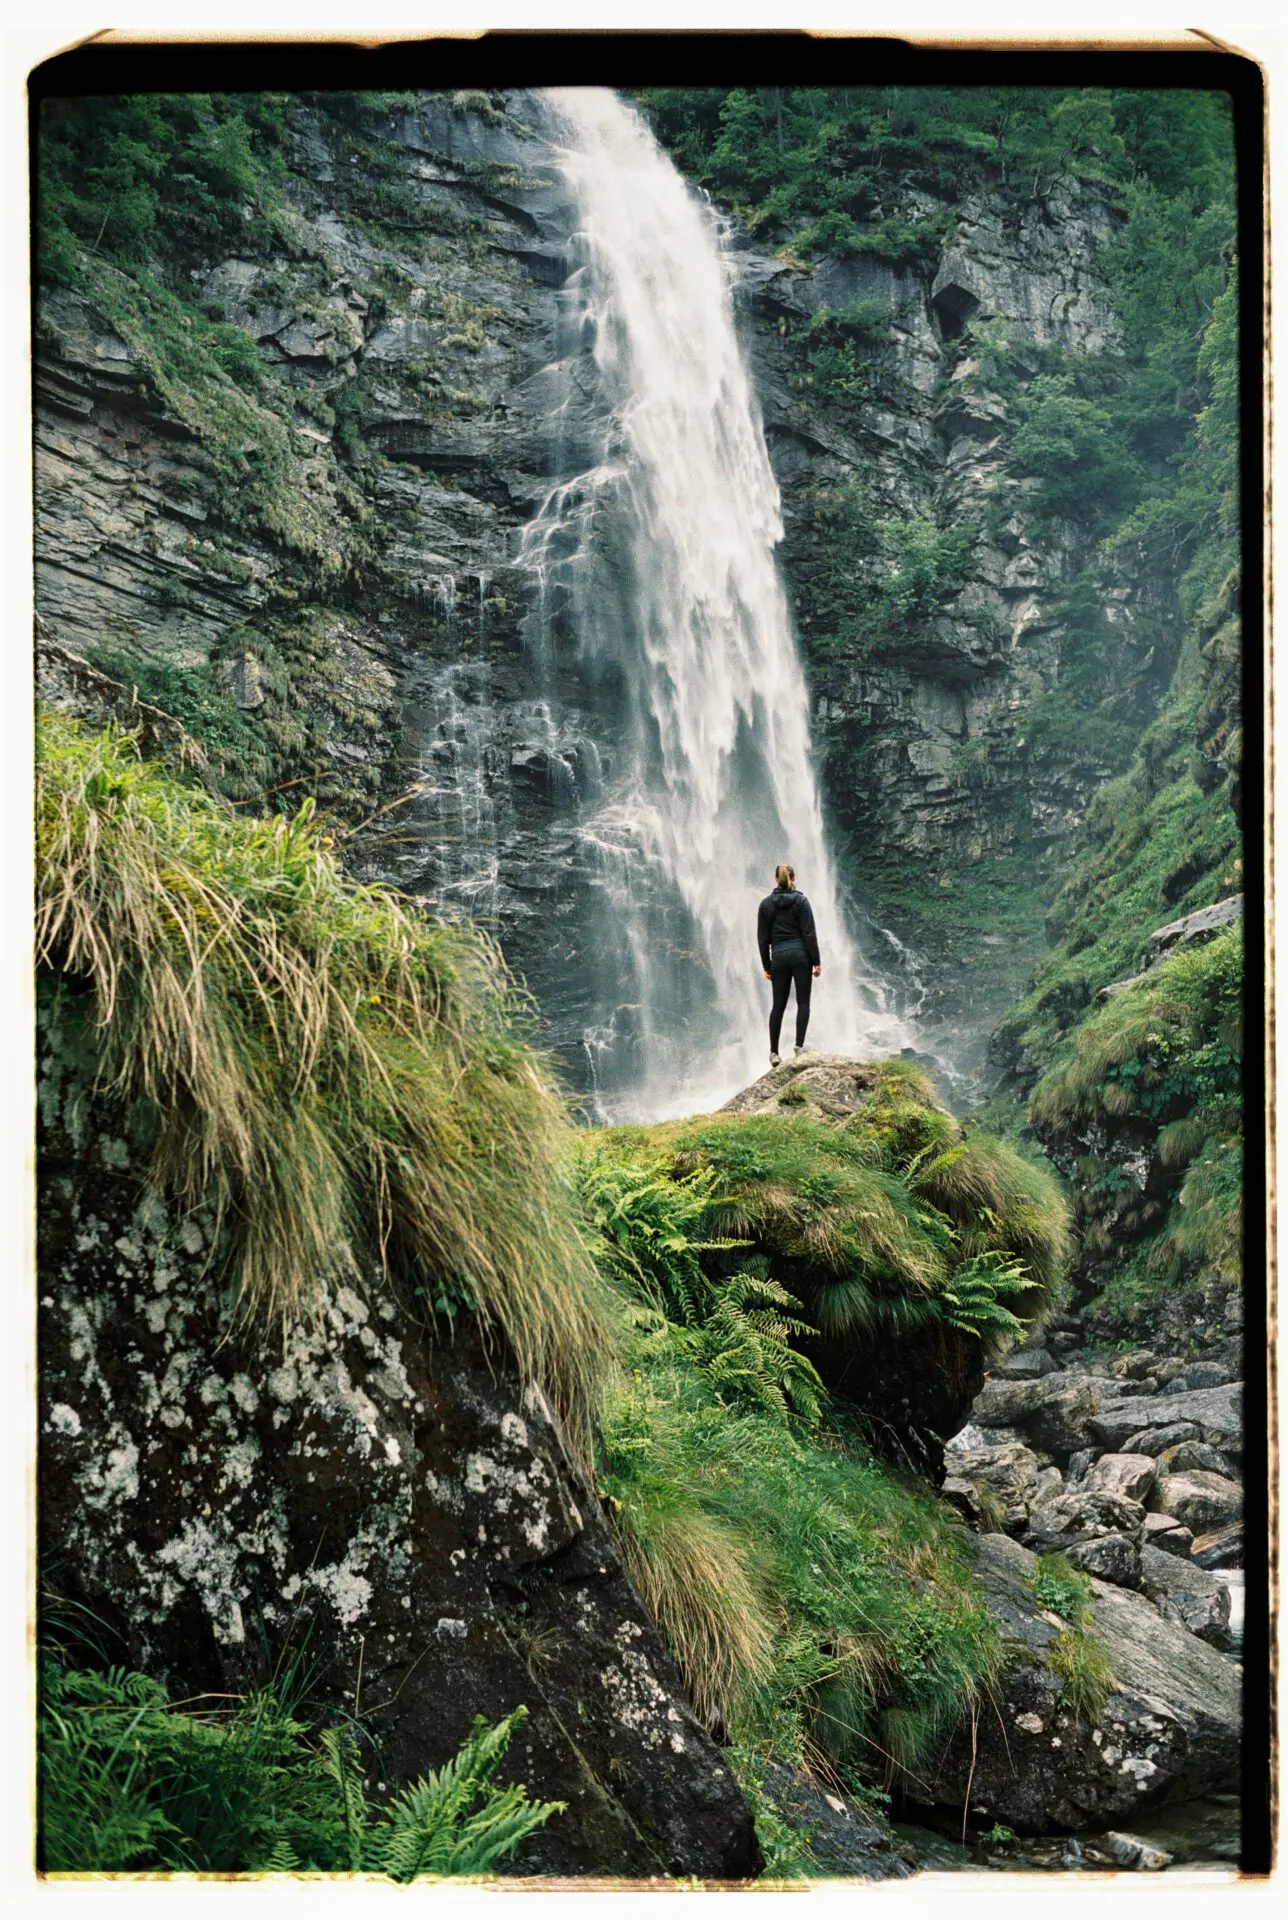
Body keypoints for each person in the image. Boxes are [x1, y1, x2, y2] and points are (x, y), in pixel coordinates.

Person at [757, 863, 821, 1066]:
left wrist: (767, 966)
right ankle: (799, 1046)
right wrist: (817, 961)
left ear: (776, 879)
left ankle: (774, 1053)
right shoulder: (801, 901)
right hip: (801, 955)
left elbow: (762, 939)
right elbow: (809, 933)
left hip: (779, 957)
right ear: (794, 878)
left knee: (778, 1006)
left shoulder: (766, 905)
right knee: (803, 1002)